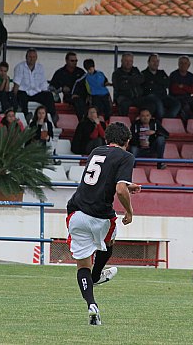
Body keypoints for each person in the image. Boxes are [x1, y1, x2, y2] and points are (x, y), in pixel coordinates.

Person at [66, 121, 141, 325]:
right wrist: (129, 210)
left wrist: (127, 184)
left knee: (82, 266)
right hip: (101, 217)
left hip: (77, 213)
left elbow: (101, 177)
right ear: (127, 141)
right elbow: (119, 190)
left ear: (107, 139)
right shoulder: (127, 156)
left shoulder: (96, 151)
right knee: (108, 245)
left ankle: (91, 304)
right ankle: (97, 275)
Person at [13, 48, 58, 125]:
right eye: (30, 57)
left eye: (34, 57)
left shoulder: (40, 67)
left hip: (36, 92)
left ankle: (52, 115)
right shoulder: (20, 67)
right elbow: (16, 83)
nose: (32, 59)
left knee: (48, 95)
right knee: (22, 95)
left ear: (36, 58)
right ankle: (26, 115)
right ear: (26, 57)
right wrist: (14, 96)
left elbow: (43, 83)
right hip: (24, 92)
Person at [112, 53, 159, 117]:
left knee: (151, 104)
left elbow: (142, 79)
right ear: (122, 61)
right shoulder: (116, 73)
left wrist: (127, 80)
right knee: (124, 105)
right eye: (126, 61)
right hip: (124, 97)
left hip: (137, 97)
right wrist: (134, 80)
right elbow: (120, 86)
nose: (128, 63)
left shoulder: (135, 70)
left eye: (130, 61)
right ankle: (124, 123)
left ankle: (142, 122)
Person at [141, 53, 180, 119]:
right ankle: (161, 119)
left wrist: (154, 83)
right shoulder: (143, 74)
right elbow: (146, 87)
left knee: (176, 103)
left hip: (162, 95)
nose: (155, 63)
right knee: (158, 102)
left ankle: (168, 119)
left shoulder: (162, 72)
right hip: (150, 96)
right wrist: (159, 82)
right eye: (153, 61)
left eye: (157, 61)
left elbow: (167, 83)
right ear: (148, 62)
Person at [168, 56, 193, 122]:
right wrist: (187, 89)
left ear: (189, 65)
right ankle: (187, 124)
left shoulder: (191, 76)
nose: (183, 65)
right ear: (178, 64)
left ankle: (191, 122)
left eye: (185, 63)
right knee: (185, 107)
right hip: (176, 99)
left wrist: (183, 87)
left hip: (188, 98)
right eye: (181, 63)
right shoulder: (173, 75)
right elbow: (173, 90)